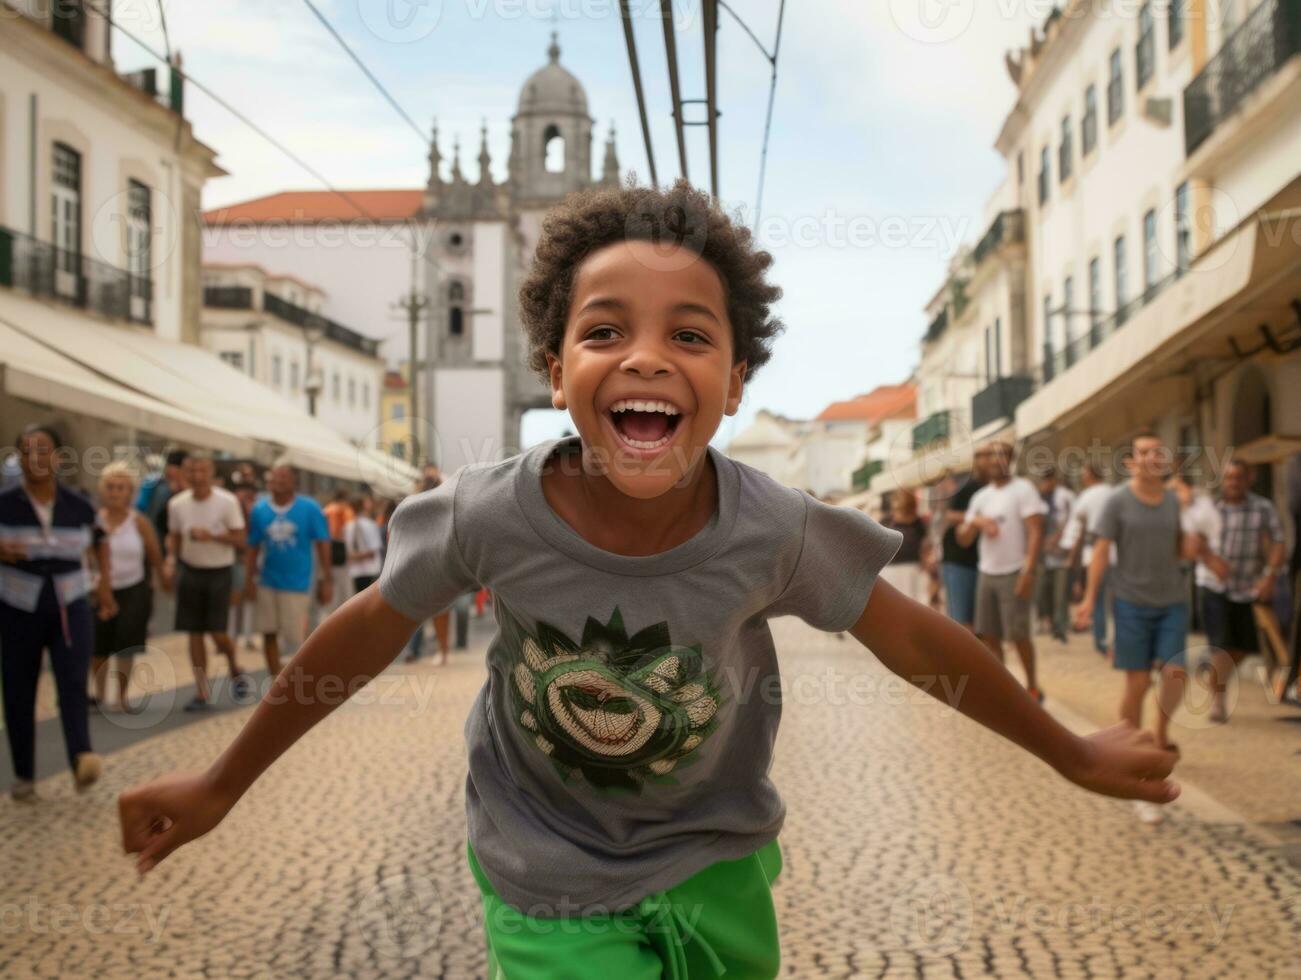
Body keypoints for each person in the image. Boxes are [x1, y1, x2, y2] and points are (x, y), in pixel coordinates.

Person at [120, 181, 1180, 977]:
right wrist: (220, 782)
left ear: (732, 379)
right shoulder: (491, 510)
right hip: (543, 870)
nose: (643, 356)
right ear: (555, 371)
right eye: (602, 331)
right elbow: (361, 628)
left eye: (687, 334)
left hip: (717, 860)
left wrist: (1069, 746)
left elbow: (913, 641)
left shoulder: (775, 527)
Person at [1074, 430, 1214, 824]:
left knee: (1175, 674)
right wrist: (1087, 599)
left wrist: (1189, 517)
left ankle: (1158, 737)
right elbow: (1101, 551)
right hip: (1131, 603)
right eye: (1144, 452)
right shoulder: (1117, 501)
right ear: (1131, 462)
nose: (1153, 457)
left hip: (1172, 601)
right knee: (1136, 684)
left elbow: (1185, 552)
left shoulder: (1175, 500)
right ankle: (1132, 755)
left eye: (1159, 452)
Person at [0, 424, 114, 800]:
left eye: (43, 449)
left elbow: (100, 542)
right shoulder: (5, 503)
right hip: (18, 607)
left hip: (70, 606)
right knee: (18, 690)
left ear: (58, 458)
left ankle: (82, 760)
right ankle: (25, 775)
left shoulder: (78, 504)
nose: (36, 458)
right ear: (19, 459)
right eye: (27, 451)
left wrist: (104, 586)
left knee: (72, 683)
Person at [956, 441, 1048, 701]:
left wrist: (1028, 572)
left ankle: (1032, 686)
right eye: (989, 457)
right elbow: (963, 539)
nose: (995, 461)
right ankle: (1004, 688)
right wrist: (975, 522)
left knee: (1019, 634)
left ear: (1010, 460)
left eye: (1001, 456)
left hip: (1014, 571)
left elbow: (1036, 531)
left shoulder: (1023, 489)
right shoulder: (980, 497)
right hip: (987, 572)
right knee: (989, 635)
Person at [1197, 459, 1285, 723]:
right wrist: (1212, 561)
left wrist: (1269, 577)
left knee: (1243, 648)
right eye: (1228, 478)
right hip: (1214, 585)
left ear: (1249, 479)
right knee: (1222, 646)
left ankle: (1215, 675)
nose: (1233, 483)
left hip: (1248, 586)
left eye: (1238, 478)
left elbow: (1279, 542)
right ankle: (1218, 702)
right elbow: (1193, 540)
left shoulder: (1263, 508)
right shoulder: (1210, 508)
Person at [165, 453, 249, 711]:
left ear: (211, 474)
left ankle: (235, 667)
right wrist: (170, 562)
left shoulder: (227, 501)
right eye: (192, 471)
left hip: (219, 571)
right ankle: (202, 691)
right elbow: (175, 538)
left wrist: (211, 536)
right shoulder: (177, 504)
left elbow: (240, 540)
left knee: (218, 632)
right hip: (190, 570)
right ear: (184, 474)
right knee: (194, 631)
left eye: (202, 471)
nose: (197, 477)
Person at [244, 464, 332, 681]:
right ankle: (276, 679)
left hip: (298, 582)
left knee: (295, 636)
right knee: (268, 630)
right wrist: (250, 579)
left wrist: (326, 579)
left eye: (283, 477)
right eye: (274, 477)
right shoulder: (259, 509)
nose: (278, 481)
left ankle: (302, 677)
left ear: (294, 482)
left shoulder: (310, 508)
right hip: (268, 579)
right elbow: (253, 546)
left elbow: (323, 543)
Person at [92, 462, 164, 714]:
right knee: (98, 645)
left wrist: (161, 581)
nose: (115, 492)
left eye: (120, 488)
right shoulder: (94, 521)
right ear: (103, 490)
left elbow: (155, 555)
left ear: (130, 491)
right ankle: (101, 694)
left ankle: (120, 696)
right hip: (99, 589)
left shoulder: (139, 522)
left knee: (126, 643)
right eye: (110, 487)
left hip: (134, 588)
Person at [1064, 460, 1115, 656]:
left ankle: (1102, 643)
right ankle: (1115, 643)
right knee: (1115, 602)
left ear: (1089, 475)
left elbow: (1077, 530)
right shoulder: (1112, 493)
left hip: (1093, 554)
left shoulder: (1086, 497)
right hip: (1116, 555)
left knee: (1098, 600)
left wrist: (1070, 558)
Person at [939, 463, 985, 630]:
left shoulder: (966, 489)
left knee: (961, 619)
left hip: (961, 560)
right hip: (966, 559)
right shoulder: (971, 489)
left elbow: (952, 516)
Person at [1035, 466, 1075, 643]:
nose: (1044, 484)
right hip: (1044, 553)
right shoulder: (1038, 499)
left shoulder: (1065, 496)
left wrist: (1058, 537)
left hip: (1061, 552)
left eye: (1047, 480)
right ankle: (1049, 622)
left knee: (1060, 593)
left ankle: (1060, 627)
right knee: (1044, 591)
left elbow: (1073, 520)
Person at [880, 489, 930, 605]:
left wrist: (926, 561)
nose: (897, 513)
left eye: (901, 509)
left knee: (913, 603)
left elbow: (925, 545)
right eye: (896, 509)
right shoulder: (886, 521)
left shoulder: (918, 523)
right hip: (890, 569)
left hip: (913, 569)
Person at [227, 475, 259, 652]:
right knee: (236, 597)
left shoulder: (250, 508)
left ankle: (242, 635)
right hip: (238, 557)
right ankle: (233, 635)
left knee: (245, 598)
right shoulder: (241, 507)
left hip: (245, 557)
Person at [321, 488, 355, 614]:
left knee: (331, 583)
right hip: (340, 550)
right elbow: (344, 532)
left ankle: (331, 611)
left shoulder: (326, 509)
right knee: (343, 590)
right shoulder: (344, 510)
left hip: (326, 548)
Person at [344, 495, 384, 594]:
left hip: (367, 571)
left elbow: (372, 552)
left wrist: (352, 556)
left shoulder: (367, 525)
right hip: (358, 571)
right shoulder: (349, 526)